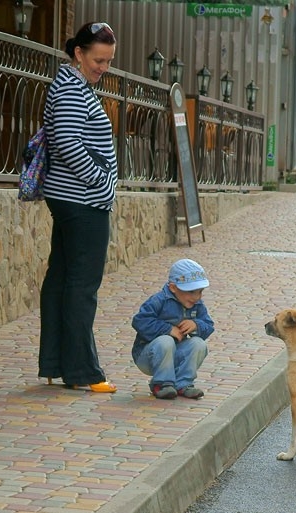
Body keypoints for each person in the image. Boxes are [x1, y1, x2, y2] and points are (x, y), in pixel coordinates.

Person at [38, 22, 119, 393]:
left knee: (62, 279)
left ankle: (57, 364)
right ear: (79, 53)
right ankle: (83, 371)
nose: (102, 67)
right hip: (81, 200)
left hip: (72, 198)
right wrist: (102, 182)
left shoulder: (72, 85)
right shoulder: (72, 88)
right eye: (98, 60)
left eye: (107, 61)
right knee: (82, 285)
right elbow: (68, 143)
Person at [131, 259, 215, 400]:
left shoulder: (197, 305)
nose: (196, 297)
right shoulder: (159, 300)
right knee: (166, 341)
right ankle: (162, 384)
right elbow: (140, 321)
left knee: (198, 344)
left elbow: (208, 325)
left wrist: (196, 325)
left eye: (200, 292)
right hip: (148, 356)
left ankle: (184, 384)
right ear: (173, 288)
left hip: (176, 354)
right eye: (191, 291)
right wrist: (167, 329)